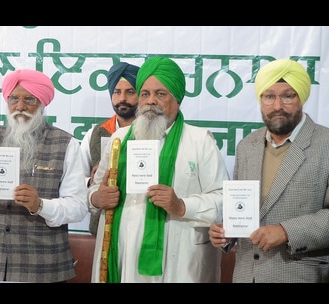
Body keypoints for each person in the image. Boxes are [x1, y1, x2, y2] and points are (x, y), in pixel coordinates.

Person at [88, 56, 229, 283]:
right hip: (122, 257)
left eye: (160, 94)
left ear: (177, 99)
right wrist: (97, 197)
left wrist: (182, 205)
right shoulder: (118, 140)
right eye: (145, 94)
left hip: (178, 260)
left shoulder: (199, 141)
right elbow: (94, 190)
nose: (151, 101)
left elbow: (224, 201)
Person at [209, 59, 329, 283]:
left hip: (303, 274)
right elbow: (240, 212)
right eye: (269, 96)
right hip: (247, 275)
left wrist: (287, 231)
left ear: (301, 98)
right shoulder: (247, 146)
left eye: (287, 96)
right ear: (261, 100)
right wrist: (227, 233)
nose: (277, 105)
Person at [0, 69, 88, 283]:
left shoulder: (65, 143)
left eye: (29, 99)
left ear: (42, 104)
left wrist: (40, 205)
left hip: (45, 268)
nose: (20, 106)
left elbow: (78, 208)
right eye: (14, 99)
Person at [80, 62, 139, 236]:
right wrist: (92, 181)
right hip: (104, 228)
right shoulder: (95, 133)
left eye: (130, 92)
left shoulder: (155, 133)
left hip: (141, 225)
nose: (122, 98)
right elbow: (75, 182)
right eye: (117, 92)